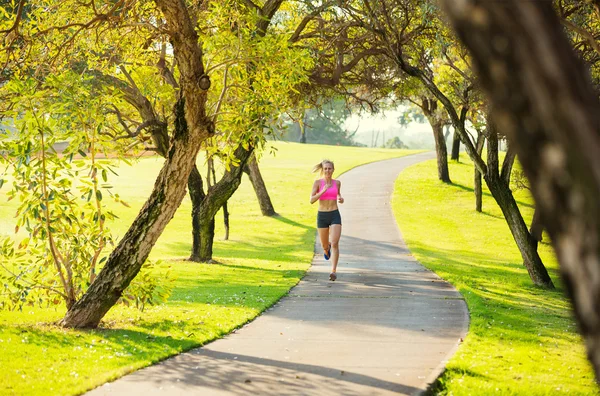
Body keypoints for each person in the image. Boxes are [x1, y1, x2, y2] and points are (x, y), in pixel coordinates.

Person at [310, 159, 344, 281]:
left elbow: (338, 194)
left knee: (335, 243)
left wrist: (340, 198)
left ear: (333, 170)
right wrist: (323, 190)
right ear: (322, 170)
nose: (328, 170)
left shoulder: (337, 183)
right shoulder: (318, 183)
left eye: (330, 168)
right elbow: (311, 200)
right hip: (322, 215)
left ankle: (333, 271)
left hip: (334, 214)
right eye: (325, 168)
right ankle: (326, 248)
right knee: (325, 246)